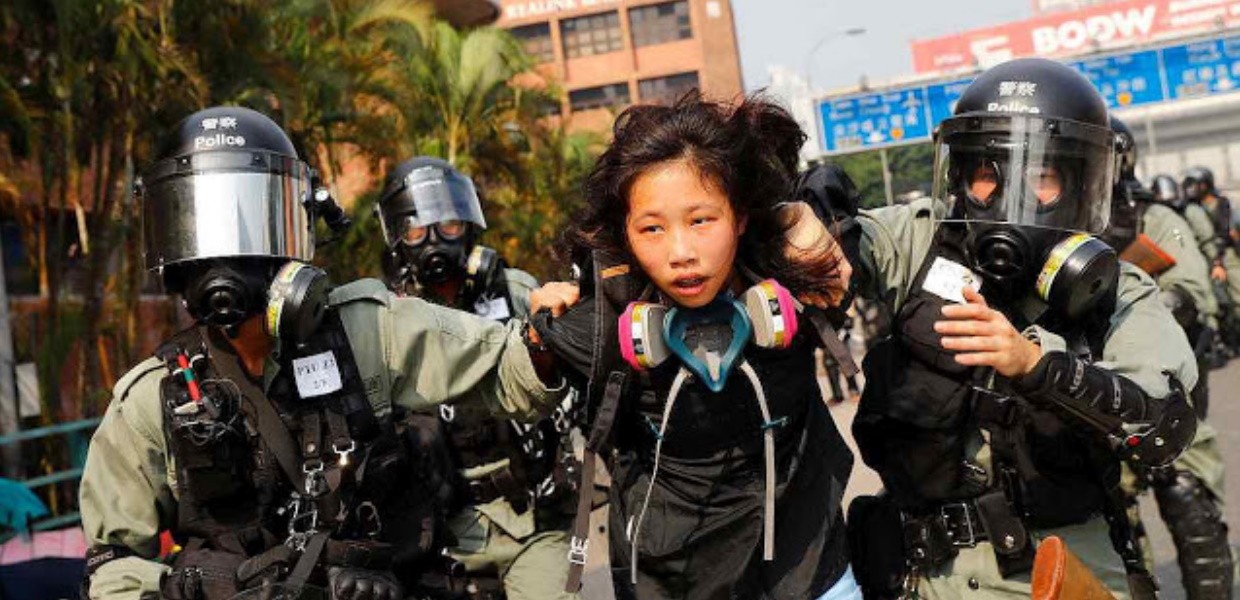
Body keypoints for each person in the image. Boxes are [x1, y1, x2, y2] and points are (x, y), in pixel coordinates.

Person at [78, 106, 567, 600]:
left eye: (251, 224)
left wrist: (548, 332)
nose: (225, 259)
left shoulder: (369, 329)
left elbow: (511, 370)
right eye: (202, 232)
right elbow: (116, 566)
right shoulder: (152, 397)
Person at [833, 58, 1198, 599]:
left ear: (1078, 185)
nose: (1009, 199)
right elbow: (849, 244)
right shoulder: (920, 244)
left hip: (1060, 572)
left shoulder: (1120, 290)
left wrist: (1035, 366)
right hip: (922, 578)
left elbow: (1162, 429)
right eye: (987, 174)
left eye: (1041, 177)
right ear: (959, 179)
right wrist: (815, 219)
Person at [528, 94, 859, 599]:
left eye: (701, 220)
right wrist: (537, 337)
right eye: (652, 229)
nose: (681, 253)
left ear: (741, 217)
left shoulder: (802, 270)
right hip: (671, 580)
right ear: (626, 235)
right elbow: (499, 377)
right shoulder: (594, 321)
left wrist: (801, 213)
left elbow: (899, 234)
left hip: (812, 571)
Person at [374, 156, 576, 600]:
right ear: (396, 241)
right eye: (415, 229)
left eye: (448, 224)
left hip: (532, 518)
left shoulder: (518, 292)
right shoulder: (388, 323)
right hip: (442, 532)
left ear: (469, 226)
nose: (433, 240)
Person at [1105, 117, 1234, 600]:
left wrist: (1132, 303)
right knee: (1109, 526)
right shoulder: (1056, 223)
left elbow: (1194, 296)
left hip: (1163, 393)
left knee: (1188, 497)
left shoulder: (1154, 220)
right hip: (1084, 397)